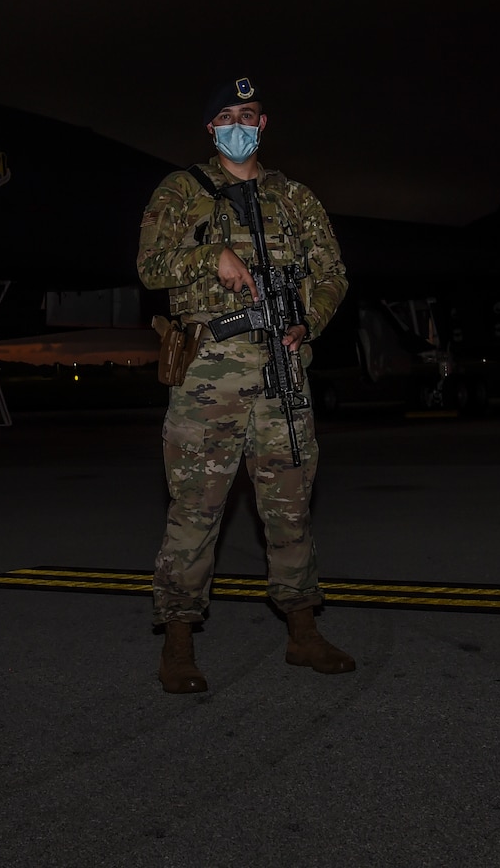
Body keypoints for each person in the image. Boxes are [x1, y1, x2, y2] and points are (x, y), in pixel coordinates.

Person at [136, 75, 355, 694]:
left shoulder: (295, 198)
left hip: (280, 370)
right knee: (195, 510)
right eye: (228, 114)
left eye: (250, 113)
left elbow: (332, 270)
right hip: (208, 373)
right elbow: (150, 265)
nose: (240, 122)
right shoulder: (181, 191)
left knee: (289, 507)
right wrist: (211, 257)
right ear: (211, 127)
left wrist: (307, 319)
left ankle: (303, 632)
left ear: (263, 125)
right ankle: (178, 641)